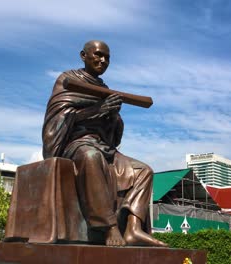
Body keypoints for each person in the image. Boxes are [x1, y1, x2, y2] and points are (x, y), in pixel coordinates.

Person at [42, 40, 167, 247]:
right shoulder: (68, 79)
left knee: (143, 171)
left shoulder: (104, 89)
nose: (103, 60)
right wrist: (98, 110)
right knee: (91, 156)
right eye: (98, 55)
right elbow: (59, 117)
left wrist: (113, 115)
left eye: (107, 57)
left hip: (104, 146)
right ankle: (108, 227)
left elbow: (113, 137)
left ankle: (133, 229)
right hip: (76, 144)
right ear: (83, 55)